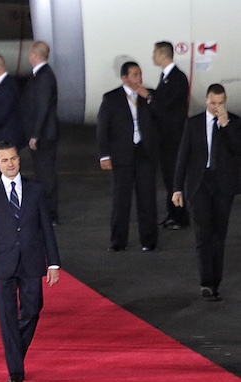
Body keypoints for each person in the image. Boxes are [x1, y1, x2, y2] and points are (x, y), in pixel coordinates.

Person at [0, 142, 60, 382]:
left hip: (32, 260)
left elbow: (46, 227)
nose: (10, 163)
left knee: (33, 309)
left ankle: (15, 351)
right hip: (2, 263)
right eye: (4, 160)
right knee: (7, 315)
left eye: (13, 158)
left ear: (19, 160)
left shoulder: (36, 190)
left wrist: (53, 262)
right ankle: (16, 369)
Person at [172, 84, 241, 301]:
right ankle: (206, 283)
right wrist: (177, 188)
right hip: (199, 185)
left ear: (225, 102)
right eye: (212, 103)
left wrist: (226, 125)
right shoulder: (193, 123)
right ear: (206, 100)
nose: (216, 107)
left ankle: (215, 282)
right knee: (203, 234)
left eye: (220, 103)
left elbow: (237, 150)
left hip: (223, 186)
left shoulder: (235, 123)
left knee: (218, 235)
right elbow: (183, 157)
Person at [97, 61, 159, 252]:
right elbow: (102, 129)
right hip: (121, 154)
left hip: (144, 153)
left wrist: (148, 96)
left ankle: (149, 241)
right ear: (125, 78)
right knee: (121, 200)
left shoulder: (149, 95)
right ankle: (118, 242)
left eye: (140, 74)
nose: (139, 78)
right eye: (134, 75)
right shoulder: (111, 98)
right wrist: (104, 156)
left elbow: (163, 116)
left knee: (147, 199)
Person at [137, 41, 190, 230]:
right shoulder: (166, 76)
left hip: (174, 138)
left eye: (154, 53)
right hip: (166, 138)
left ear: (162, 55)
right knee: (168, 178)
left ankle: (181, 217)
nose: (153, 56)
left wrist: (148, 97)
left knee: (174, 178)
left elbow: (166, 106)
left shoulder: (178, 78)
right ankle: (173, 213)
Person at [20, 41, 59, 225]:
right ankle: (46, 212)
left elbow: (42, 108)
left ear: (34, 55)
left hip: (44, 135)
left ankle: (50, 215)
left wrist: (35, 134)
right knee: (43, 174)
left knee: (45, 175)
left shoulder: (43, 77)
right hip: (43, 133)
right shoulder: (40, 75)